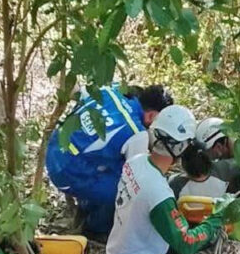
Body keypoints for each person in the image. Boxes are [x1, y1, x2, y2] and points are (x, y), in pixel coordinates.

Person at [107, 105, 227, 254]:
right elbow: (186, 242)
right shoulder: (158, 192)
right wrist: (215, 221)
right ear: (180, 147)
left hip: (124, 251)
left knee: (188, 238)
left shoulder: (136, 162)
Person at [45, 84, 173, 240]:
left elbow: (76, 90)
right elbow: (136, 177)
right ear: (151, 116)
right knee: (125, 188)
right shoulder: (136, 132)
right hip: (65, 173)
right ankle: (95, 227)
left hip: (54, 149)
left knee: (114, 159)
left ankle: (88, 203)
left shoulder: (110, 89)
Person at [168, 141, 240, 200]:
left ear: (184, 165)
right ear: (208, 160)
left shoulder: (175, 184)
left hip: (190, 218)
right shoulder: (223, 170)